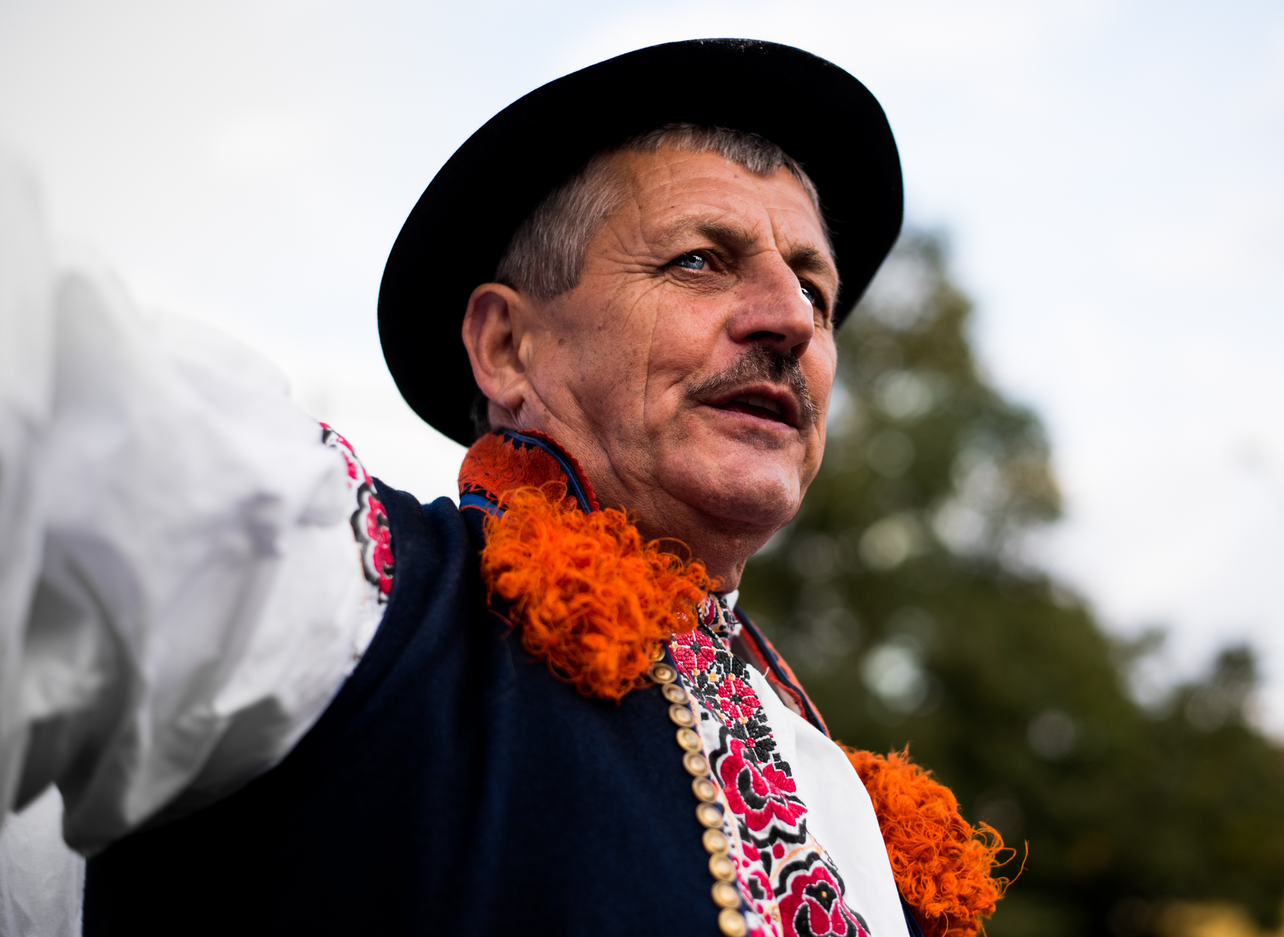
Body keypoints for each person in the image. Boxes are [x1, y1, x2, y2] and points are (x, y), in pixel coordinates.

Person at [0, 40, 1007, 937]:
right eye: (700, 260)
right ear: (507, 346)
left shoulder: (841, 794)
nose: (790, 319)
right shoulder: (330, 597)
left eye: (817, 292)